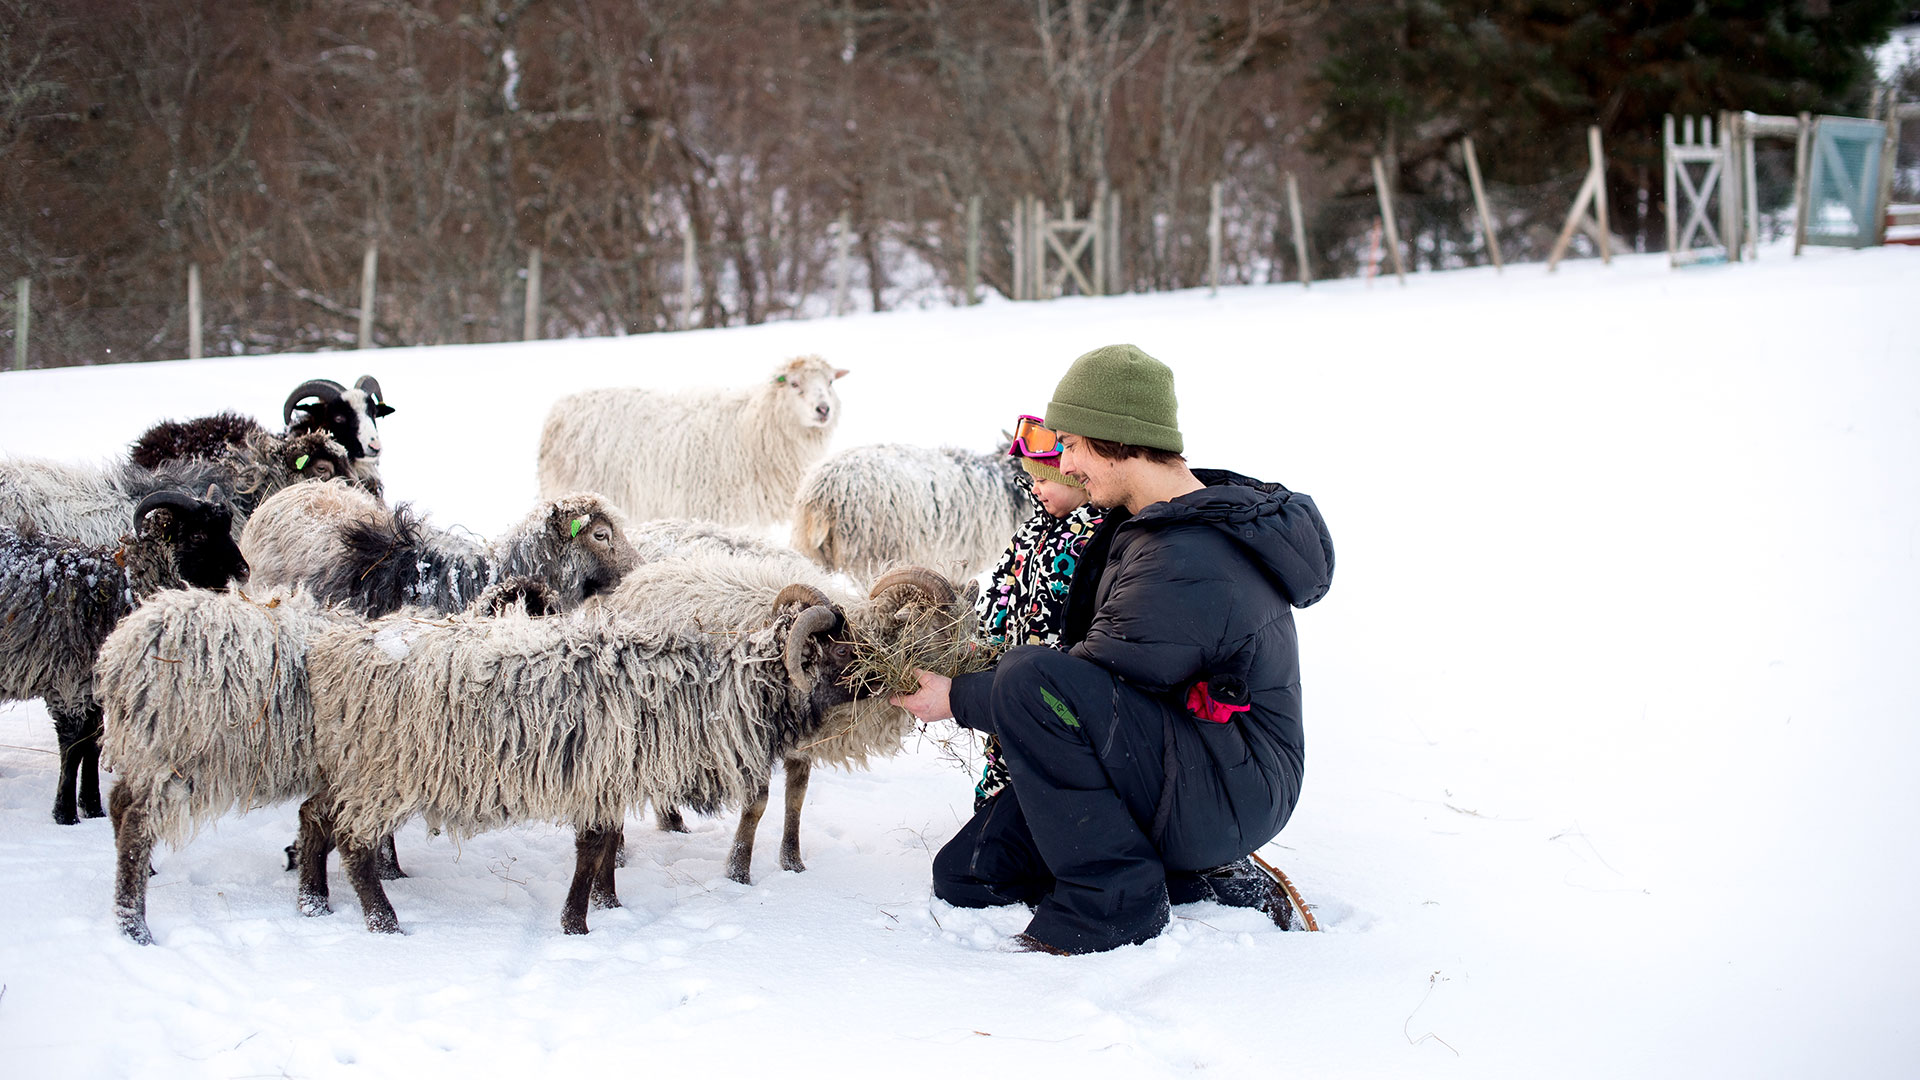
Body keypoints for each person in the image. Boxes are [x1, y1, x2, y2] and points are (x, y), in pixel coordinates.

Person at [892, 344, 1334, 955]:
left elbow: (1076, 685)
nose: (1066, 463)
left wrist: (958, 696)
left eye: (1073, 445)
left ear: (1117, 439)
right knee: (969, 873)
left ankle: (1118, 901)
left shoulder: (1190, 553)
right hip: (1177, 753)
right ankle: (1174, 871)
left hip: (1232, 788)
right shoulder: (1153, 521)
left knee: (1029, 678)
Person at [970, 426, 1105, 809]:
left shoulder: (1098, 535)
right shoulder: (1029, 531)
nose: (1036, 489)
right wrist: (987, 640)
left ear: (1074, 477)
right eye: (1032, 480)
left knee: (1048, 756)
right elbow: (1002, 588)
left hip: (1058, 679)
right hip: (1010, 672)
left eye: (1044, 480)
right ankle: (993, 807)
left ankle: (1042, 816)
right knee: (1004, 746)